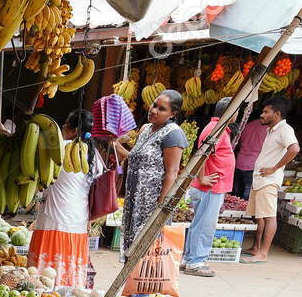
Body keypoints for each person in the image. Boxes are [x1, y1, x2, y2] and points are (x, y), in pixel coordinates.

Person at [27, 109, 100, 286]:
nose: (62, 127)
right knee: (69, 279)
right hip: (78, 222)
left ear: (73, 130)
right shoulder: (93, 155)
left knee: (42, 279)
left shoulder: (57, 149)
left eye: (66, 123)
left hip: (52, 221)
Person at [113, 90, 186, 259]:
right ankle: (131, 284)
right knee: (131, 248)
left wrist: (161, 207)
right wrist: (115, 144)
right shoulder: (146, 129)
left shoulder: (173, 134)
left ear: (173, 114)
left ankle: (144, 285)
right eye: (154, 105)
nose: (154, 110)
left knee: (148, 253)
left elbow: (172, 172)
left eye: (162, 109)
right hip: (134, 201)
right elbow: (134, 157)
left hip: (151, 205)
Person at [240, 97, 299, 264]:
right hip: (260, 179)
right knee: (260, 216)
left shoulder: (285, 130)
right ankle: (256, 248)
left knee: (269, 216)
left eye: (266, 112)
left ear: (277, 114)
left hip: (269, 180)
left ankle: (263, 253)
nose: (262, 115)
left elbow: (294, 149)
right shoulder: (272, 130)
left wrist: (274, 168)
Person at [181, 115, 235, 278]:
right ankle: (195, 262)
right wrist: (202, 177)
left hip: (212, 187)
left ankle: (189, 259)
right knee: (205, 225)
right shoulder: (215, 129)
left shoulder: (218, 128)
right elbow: (203, 153)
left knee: (200, 223)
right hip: (210, 187)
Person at [231, 111, 267, 199]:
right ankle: (242, 213)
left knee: (235, 194)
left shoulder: (247, 126)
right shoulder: (268, 129)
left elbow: (239, 142)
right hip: (253, 165)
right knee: (247, 195)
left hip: (239, 162)